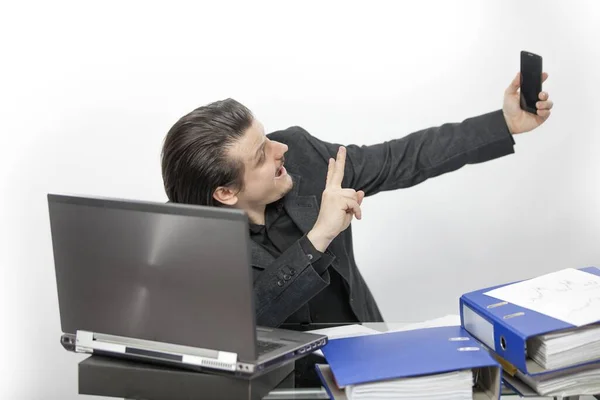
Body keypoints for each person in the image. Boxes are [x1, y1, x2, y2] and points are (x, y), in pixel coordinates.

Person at [161, 72, 553, 328]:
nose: (279, 148)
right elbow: (250, 321)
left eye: (266, 137)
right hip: (289, 384)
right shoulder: (192, 251)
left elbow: (401, 158)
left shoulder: (301, 155)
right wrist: (318, 238)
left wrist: (504, 123)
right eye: (261, 155)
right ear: (225, 192)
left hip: (367, 350)